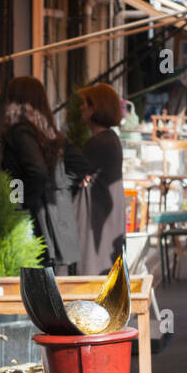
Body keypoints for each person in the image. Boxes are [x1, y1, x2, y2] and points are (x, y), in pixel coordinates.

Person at [0, 75, 85, 272]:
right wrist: (60, 188)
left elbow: (36, 172)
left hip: (36, 221)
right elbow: (77, 166)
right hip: (54, 221)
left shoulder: (20, 132)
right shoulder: (46, 131)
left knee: (38, 285)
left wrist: (21, 205)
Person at [75, 83, 127, 274]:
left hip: (99, 227)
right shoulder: (110, 139)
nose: (81, 107)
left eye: (85, 104)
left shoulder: (99, 142)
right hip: (106, 225)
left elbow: (72, 174)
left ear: (95, 107)